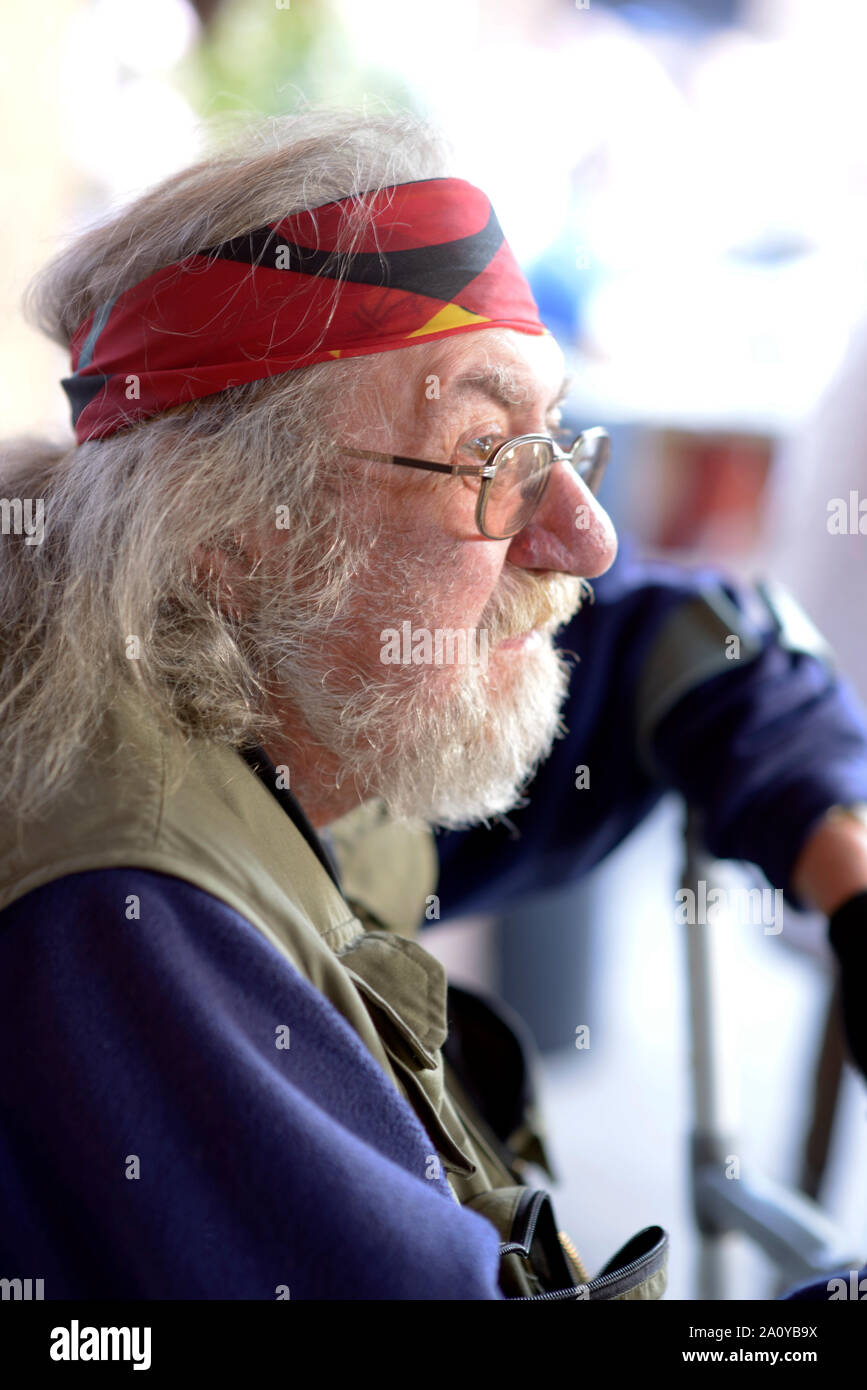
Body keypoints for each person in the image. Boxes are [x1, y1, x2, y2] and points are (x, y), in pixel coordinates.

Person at [1, 109, 866, 1302]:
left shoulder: (266, 687)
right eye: (488, 452)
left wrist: (843, 858)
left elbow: (689, 639)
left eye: (557, 436)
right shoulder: (126, 917)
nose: (586, 538)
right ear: (231, 532)